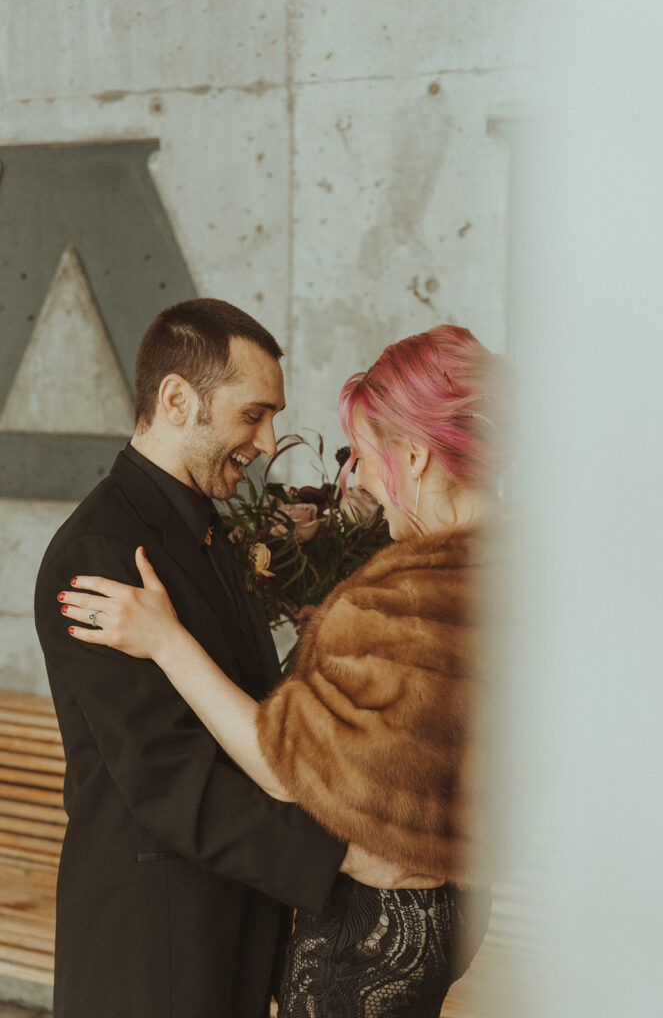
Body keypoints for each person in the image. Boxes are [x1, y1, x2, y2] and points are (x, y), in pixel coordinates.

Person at [60, 323, 512, 1017]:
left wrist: (169, 641)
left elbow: (284, 755)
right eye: (254, 414)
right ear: (177, 400)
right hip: (163, 936)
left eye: (359, 454)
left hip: (295, 913)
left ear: (415, 457)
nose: (272, 443)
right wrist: (337, 856)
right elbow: (163, 771)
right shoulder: (101, 548)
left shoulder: (403, 589)